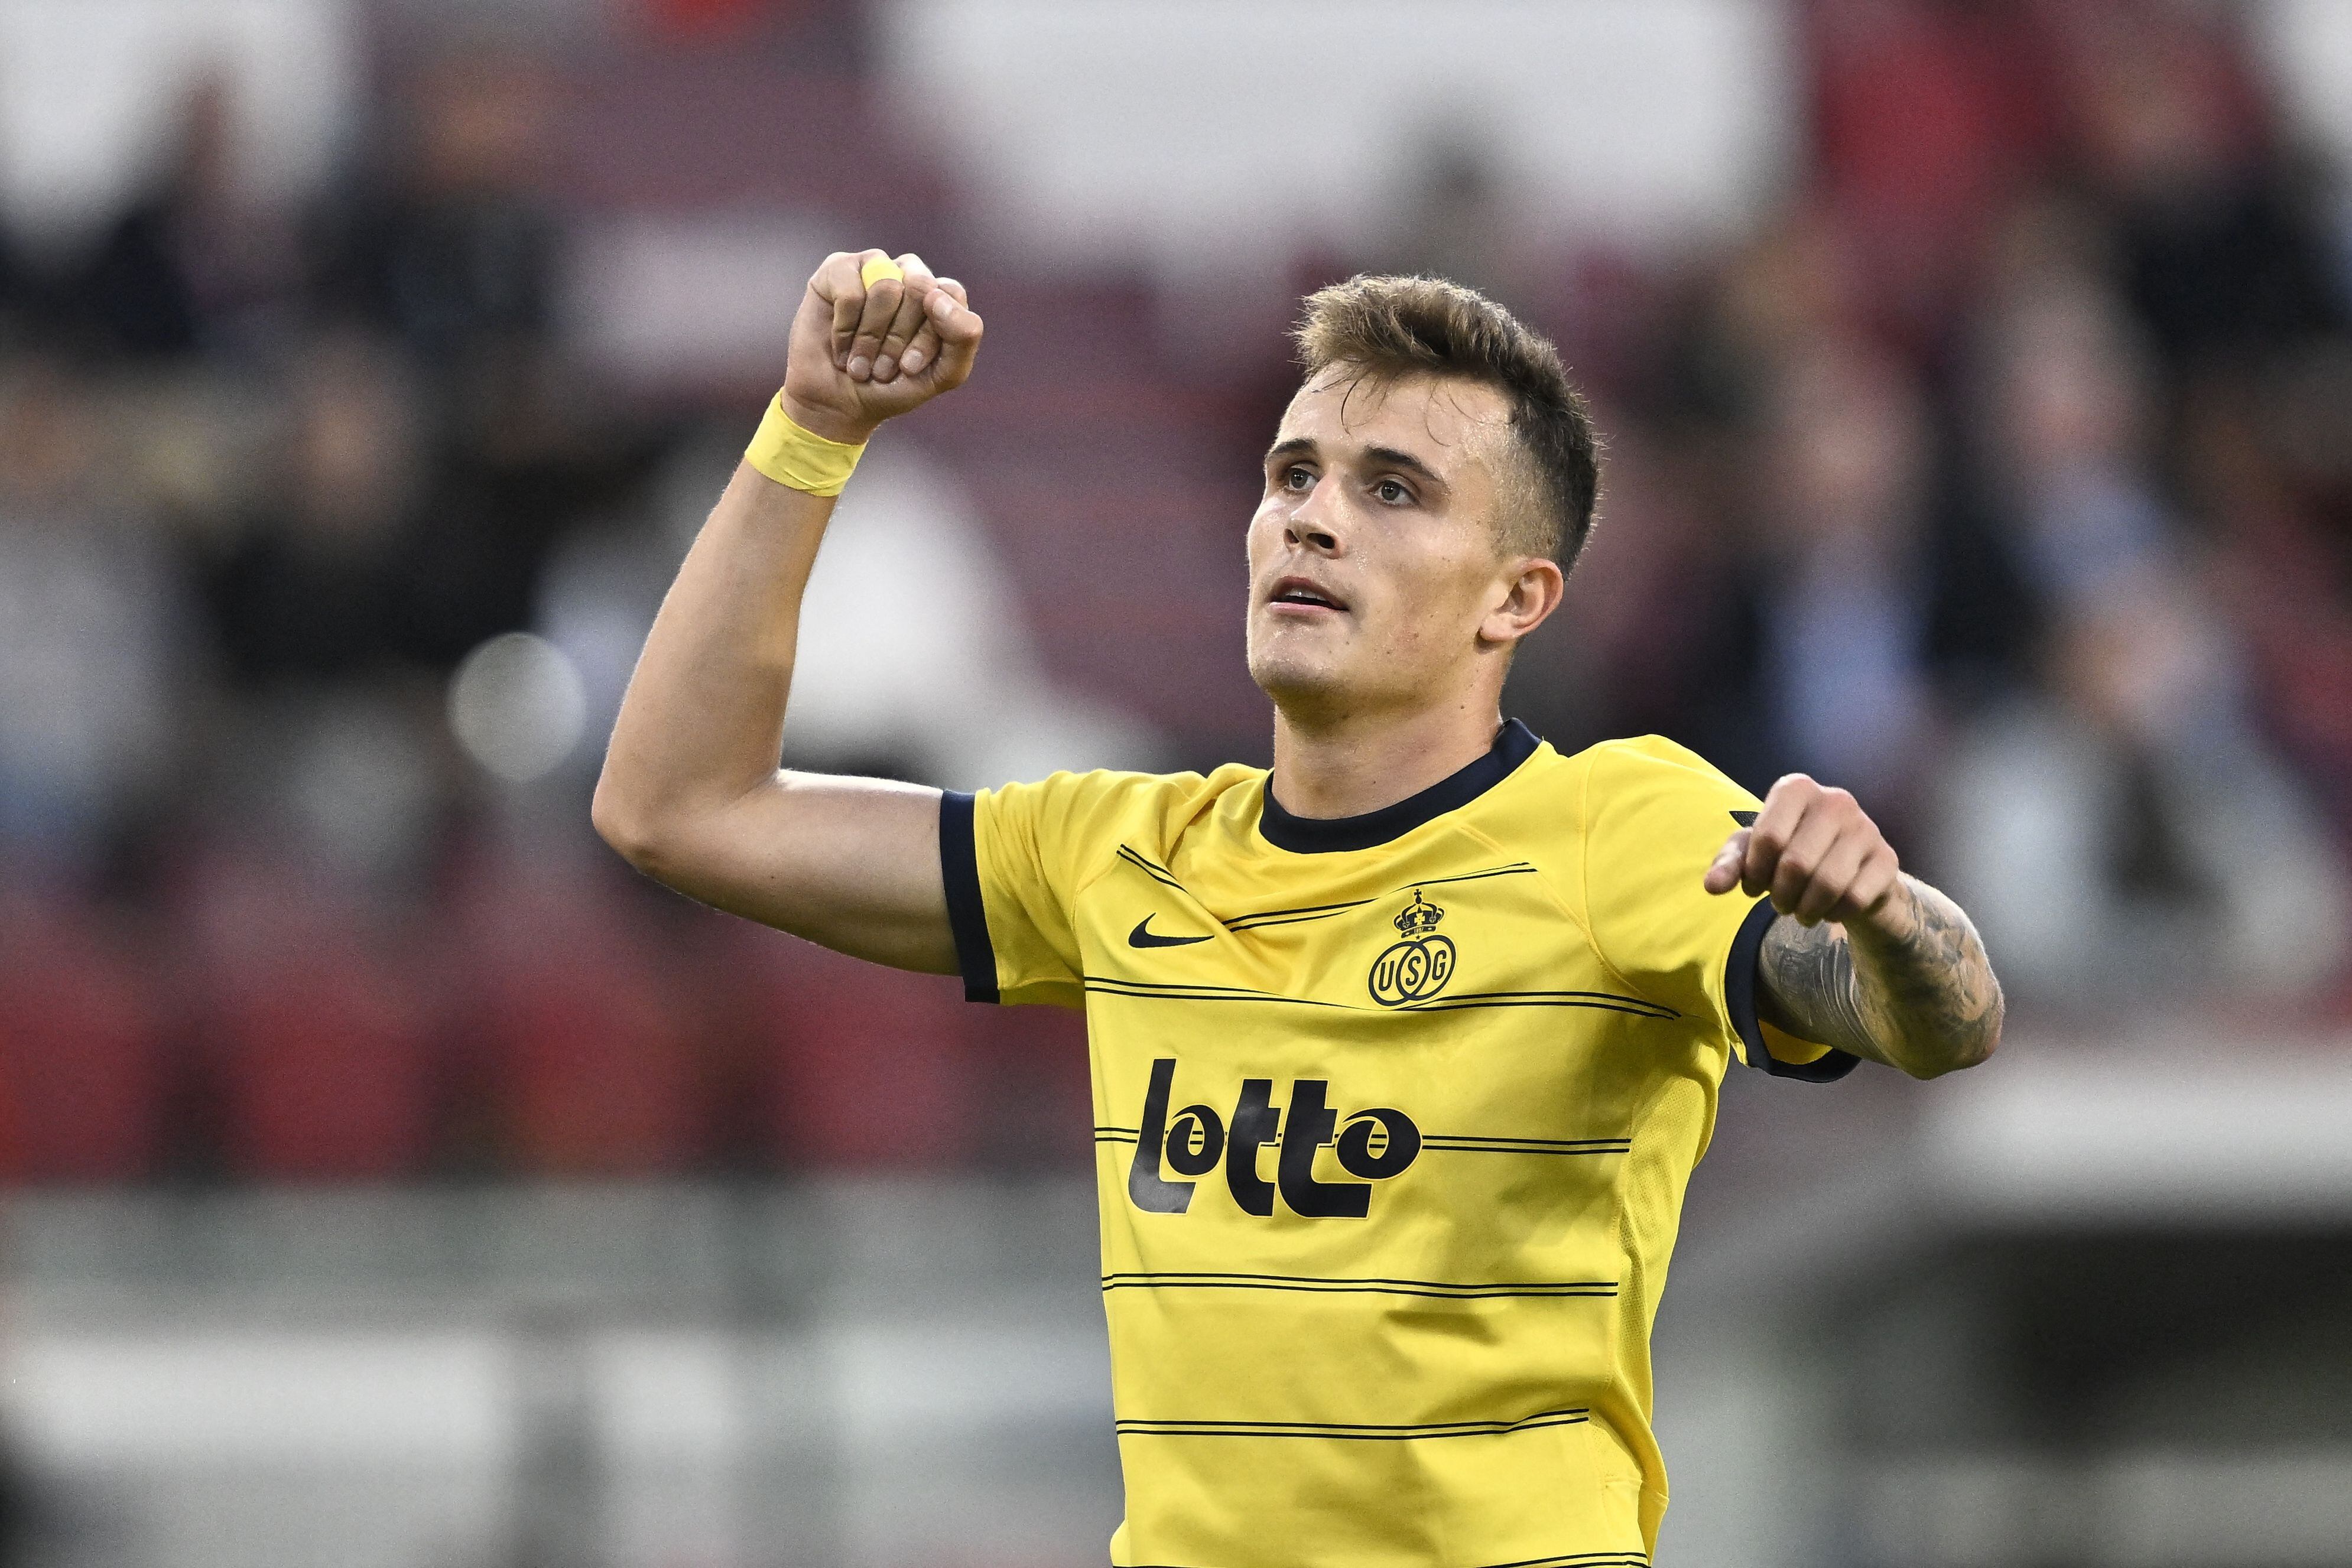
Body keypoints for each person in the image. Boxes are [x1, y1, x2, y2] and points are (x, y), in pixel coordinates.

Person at [592, 250, 2005, 1566]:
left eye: (1392, 489)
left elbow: (1934, 1019)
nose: (1313, 515)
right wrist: (812, 427)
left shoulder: (1612, 826)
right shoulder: (1119, 850)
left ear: (1516, 597)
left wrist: (1878, 917)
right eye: (1292, 474)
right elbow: (676, 807)